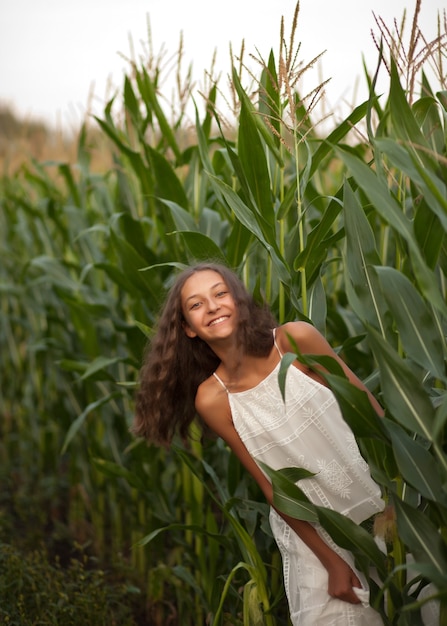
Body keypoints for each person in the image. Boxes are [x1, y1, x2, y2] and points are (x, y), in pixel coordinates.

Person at [133, 262, 385, 625]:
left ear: (238, 301)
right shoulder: (213, 399)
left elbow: (370, 413)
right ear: (187, 328)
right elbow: (271, 487)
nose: (213, 306)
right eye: (197, 304)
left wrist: (398, 498)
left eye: (220, 294)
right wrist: (332, 561)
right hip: (314, 537)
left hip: (374, 504)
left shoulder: (295, 340)